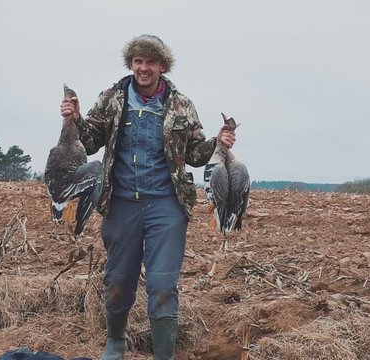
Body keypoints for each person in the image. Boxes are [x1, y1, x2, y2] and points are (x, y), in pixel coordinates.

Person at [59, 34, 236, 360]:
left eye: (150, 62)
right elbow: (91, 141)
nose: (143, 67)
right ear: (131, 64)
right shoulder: (112, 97)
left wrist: (218, 142)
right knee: (118, 279)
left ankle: (164, 355)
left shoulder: (181, 104)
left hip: (166, 206)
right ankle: (116, 342)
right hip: (122, 203)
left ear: (161, 66)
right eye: (138, 61)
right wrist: (75, 118)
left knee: (163, 284)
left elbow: (195, 155)